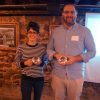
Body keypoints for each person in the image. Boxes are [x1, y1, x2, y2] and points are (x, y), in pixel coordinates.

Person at [47, 4, 96, 100]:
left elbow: (92, 52)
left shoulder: (85, 31)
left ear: (76, 14)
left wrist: (75, 59)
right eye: (66, 12)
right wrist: (56, 55)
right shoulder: (56, 31)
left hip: (76, 76)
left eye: (72, 12)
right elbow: (49, 49)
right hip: (58, 75)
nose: (69, 15)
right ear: (62, 14)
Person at [15, 21, 47, 100]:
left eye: (34, 32)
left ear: (37, 34)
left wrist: (41, 63)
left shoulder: (42, 48)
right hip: (26, 78)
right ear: (27, 33)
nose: (32, 34)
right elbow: (16, 63)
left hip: (39, 79)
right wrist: (24, 63)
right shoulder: (20, 47)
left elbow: (46, 62)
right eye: (30, 32)